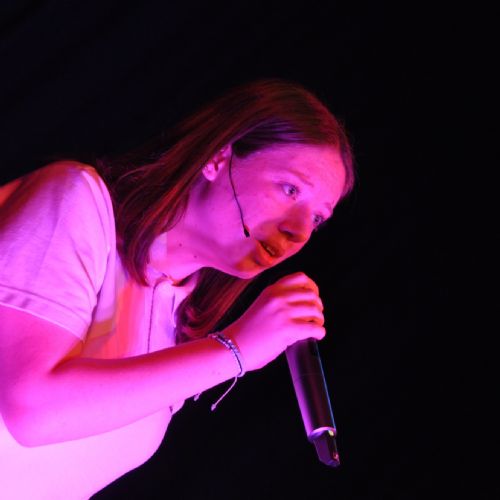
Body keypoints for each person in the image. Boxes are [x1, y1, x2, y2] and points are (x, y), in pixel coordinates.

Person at [0, 79, 355, 498]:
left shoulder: (179, 324)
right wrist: (236, 351)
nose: (299, 232)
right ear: (219, 158)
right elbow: (30, 409)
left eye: (317, 219)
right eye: (290, 189)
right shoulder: (78, 201)